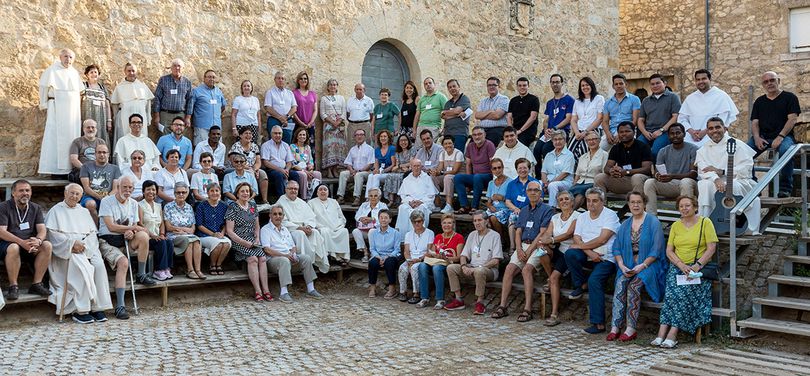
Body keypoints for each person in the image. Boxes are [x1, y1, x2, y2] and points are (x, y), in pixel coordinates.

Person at [653, 195, 718, 348]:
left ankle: (672, 334)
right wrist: (680, 265)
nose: (684, 208)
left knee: (681, 296)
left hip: (696, 271)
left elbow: (711, 248)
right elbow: (669, 251)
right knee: (670, 296)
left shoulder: (705, 222)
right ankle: (661, 333)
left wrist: (698, 265)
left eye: (687, 205)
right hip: (678, 267)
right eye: (681, 206)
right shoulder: (676, 225)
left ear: (695, 207)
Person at [46, 183, 113, 323]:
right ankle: (81, 310)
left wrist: (85, 247)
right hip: (67, 250)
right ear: (65, 193)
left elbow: (93, 234)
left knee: (99, 266)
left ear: (81, 196)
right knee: (81, 267)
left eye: (77, 194)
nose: (74, 196)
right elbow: (52, 235)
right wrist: (71, 244)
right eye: (71, 193)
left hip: (87, 248)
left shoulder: (84, 211)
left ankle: (98, 306)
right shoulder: (55, 211)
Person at [490, 180, 554, 322]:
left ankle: (527, 309)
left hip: (538, 246)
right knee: (509, 269)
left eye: (536, 190)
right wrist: (518, 249)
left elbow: (542, 233)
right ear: (526, 193)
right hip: (523, 245)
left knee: (526, 270)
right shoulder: (524, 210)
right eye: (530, 190)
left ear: (540, 192)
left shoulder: (547, 209)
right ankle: (503, 306)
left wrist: (530, 250)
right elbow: (518, 232)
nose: (532, 192)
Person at [607, 191, 667, 341]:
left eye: (638, 202)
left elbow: (657, 249)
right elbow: (616, 248)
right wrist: (621, 265)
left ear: (644, 203)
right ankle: (615, 326)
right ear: (628, 204)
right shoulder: (625, 224)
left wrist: (642, 266)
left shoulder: (653, 222)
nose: (635, 205)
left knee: (634, 286)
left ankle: (630, 328)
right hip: (628, 264)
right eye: (632, 202)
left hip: (649, 265)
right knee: (621, 284)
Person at [97, 175, 155, 319]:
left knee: (143, 236)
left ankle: (141, 274)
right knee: (123, 263)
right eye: (125, 187)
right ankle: (120, 306)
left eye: (130, 188)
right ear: (118, 187)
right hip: (108, 241)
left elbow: (134, 226)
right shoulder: (107, 201)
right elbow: (110, 226)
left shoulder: (134, 204)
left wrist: (132, 231)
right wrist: (130, 228)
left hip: (125, 241)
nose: (128, 190)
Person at [564, 187, 620, 334]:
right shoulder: (583, 216)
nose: (591, 204)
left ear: (603, 201)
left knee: (594, 281)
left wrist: (582, 247)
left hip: (605, 257)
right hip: (589, 254)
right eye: (588, 201)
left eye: (595, 201)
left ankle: (598, 324)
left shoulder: (610, 215)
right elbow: (576, 237)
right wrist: (588, 251)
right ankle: (580, 284)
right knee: (570, 254)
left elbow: (603, 239)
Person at [695, 117, 761, 234]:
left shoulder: (738, 145)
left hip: (739, 180)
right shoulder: (702, 150)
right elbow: (703, 170)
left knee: (732, 185)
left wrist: (723, 171)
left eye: (717, 127)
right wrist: (716, 179)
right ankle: (706, 222)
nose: (714, 130)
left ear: (725, 128)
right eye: (710, 128)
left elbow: (746, 168)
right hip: (714, 181)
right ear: (707, 131)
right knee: (704, 184)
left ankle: (735, 224)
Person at [748, 71, 801, 198]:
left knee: (786, 151)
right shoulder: (759, 101)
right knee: (744, 152)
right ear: (763, 85)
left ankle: (785, 189)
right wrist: (756, 138)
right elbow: (755, 122)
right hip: (763, 137)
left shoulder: (790, 97)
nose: (769, 83)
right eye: (766, 82)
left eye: (772, 80)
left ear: (779, 81)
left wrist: (781, 136)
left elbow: (792, 119)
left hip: (784, 136)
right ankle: (753, 186)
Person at [0, 180, 53, 300]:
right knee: (14, 247)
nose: (25, 193)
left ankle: (37, 284)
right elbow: (1, 232)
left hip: (28, 244)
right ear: (13, 193)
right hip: (7, 244)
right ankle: (13, 286)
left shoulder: (35, 208)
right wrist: (21, 242)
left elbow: (42, 229)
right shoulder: (3, 207)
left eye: (27, 190)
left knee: (47, 245)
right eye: (21, 190)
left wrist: (38, 240)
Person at [261, 205, 323, 303]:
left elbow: (293, 246)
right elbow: (267, 250)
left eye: (280, 214)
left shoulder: (285, 229)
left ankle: (311, 289)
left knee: (306, 258)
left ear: (283, 216)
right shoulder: (265, 229)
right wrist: (285, 255)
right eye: (275, 214)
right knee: (284, 261)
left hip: (288, 258)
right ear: (270, 215)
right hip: (274, 261)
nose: (278, 216)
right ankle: (284, 293)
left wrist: (293, 254)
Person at [445, 211, 503, 315]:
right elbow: (463, 255)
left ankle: (480, 302)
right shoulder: (472, 235)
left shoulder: (495, 235)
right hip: (471, 267)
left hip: (489, 270)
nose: (477, 223)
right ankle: (458, 299)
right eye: (475, 221)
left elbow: (495, 260)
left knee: (479, 271)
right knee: (451, 267)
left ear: (486, 221)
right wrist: (463, 266)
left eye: (479, 220)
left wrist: (478, 267)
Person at [537, 191, 580, 326]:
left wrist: (551, 239)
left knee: (556, 278)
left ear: (572, 202)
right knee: (541, 251)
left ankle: (554, 314)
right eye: (561, 199)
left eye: (567, 199)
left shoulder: (578, 216)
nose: (564, 201)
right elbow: (548, 233)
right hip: (558, 248)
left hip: (570, 252)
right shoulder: (555, 218)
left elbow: (569, 234)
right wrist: (544, 240)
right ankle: (550, 278)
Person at [38, 48, 82, 175]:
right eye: (66, 56)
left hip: (72, 111)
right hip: (56, 108)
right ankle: (54, 170)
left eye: (70, 57)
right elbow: (43, 87)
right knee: (54, 136)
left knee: (71, 137)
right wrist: (44, 104)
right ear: (60, 57)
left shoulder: (74, 73)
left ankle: (70, 168)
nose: (68, 59)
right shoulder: (52, 70)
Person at [225, 182, 272, 301]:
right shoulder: (232, 207)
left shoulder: (252, 206)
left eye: (247, 191)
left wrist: (257, 237)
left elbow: (257, 226)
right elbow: (230, 231)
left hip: (252, 239)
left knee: (262, 258)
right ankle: (258, 291)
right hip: (238, 240)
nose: (245, 193)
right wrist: (244, 243)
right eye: (242, 191)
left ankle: (266, 290)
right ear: (237, 193)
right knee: (253, 259)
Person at [275, 181, 329, 273]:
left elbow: (310, 217)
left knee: (315, 232)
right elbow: (282, 221)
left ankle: (315, 262)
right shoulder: (281, 202)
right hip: (290, 230)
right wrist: (300, 228)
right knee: (300, 234)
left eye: (295, 189)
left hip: (304, 228)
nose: (293, 191)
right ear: (286, 189)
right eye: (291, 188)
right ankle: (302, 264)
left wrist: (308, 226)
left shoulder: (301, 202)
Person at [644, 124, 698, 214]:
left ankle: (687, 216)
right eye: (672, 133)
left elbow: (693, 174)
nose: (675, 136)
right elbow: (656, 172)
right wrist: (659, 176)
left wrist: (672, 176)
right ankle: (651, 218)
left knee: (686, 182)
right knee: (649, 182)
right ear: (668, 136)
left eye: (678, 133)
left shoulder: (693, 149)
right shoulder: (663, 151)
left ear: (684, 134)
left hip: (688, 183)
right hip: (669, 184)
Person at [679, 69, 740, 147]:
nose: (701, 81)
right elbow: (682, 119)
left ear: (710, 79)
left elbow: (722, 120)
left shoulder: (721, 96)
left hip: (714, 134)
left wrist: (705, 132)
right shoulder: (690, 98)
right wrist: (692, 132)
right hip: (692, 137)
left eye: (704, 79)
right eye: (698, 79)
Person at [416, 214, 463, 309]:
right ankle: (424, 298)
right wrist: (430, 254)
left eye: (449, 223)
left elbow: (458, 257)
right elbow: (431, 252)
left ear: (453, 224)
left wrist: (446, 258)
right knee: (422, 266)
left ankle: (440, 299)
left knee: (437, 268)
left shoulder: (458, 237)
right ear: (441, 224)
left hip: (448, 264)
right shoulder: (438, 237)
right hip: (436, 261)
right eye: (444, 223)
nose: (446, 225)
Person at [594, 121, 652, 195]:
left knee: (636, 178)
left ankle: (636, 205)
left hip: (640, 180)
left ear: (634, 132)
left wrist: (627, 171)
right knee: (599, 177)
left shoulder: (643, 147)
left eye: (627, 131)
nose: (624, 134)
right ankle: (601, 205)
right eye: (621, 132)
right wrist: (612, 171)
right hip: (623, 179)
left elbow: (647, 169)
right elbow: (607, 168)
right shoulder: (616, 148)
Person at [637, 74, 681, 159]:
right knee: (636, 149)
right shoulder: (646, 100)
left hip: (665, 132)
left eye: (658, 83)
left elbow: (675, 116)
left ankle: (657, 171)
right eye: (652, 84)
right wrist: (645, 132)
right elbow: (640, 120)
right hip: (648, 132)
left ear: (664, 83)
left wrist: (661, 130)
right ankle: (644, 171)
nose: (655, 86)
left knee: (655, 152)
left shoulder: (673, 97)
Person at [453, 126, 496, 214]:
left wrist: (494, 182)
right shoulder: (470, 146)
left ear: (484, 135)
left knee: (477, 177)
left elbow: (493, 164)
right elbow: (468, 164)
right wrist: (469, 183)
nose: (477, 137)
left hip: (488, 176)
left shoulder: (489, 145)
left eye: (479, 134)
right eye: (474, 135)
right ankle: (464, 205)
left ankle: (475, 207)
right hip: (476, 177)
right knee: (458, 177)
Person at [534, 74, 575, 161]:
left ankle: (550, 172)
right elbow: (546, 120)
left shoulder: (569, 100)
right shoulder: (550, 102)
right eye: (553, 82)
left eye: (557, 82)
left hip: (561, 131)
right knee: (536, 150)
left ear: (562, 84)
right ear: (550, 84)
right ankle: (539, 174)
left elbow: (568, 119)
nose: (555, 84)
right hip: (549, 132)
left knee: (546, 150)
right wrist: (546, 130)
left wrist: (554, 128)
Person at [139, 180, 174, 281]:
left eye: (153, 189)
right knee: (161, 242)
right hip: (146, 237)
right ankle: (158, 270)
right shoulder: (139, 205)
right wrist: (152, 235)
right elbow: (140, 223)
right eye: (148, 189)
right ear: (143, 191)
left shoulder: (158, 205)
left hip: (157, 236)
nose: (151, 192)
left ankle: (167, 268)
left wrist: (162, 233)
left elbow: (162, 222)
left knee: (168, 241)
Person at [110, 62, 154, 143]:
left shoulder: (142, 86)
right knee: (125, 137)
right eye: (129, 71)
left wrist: (148, 117)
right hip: (124, 116)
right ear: (125, 72)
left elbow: (148, 103)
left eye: (133, 71)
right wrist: (115, 119)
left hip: (141, 115)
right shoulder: (119, 87)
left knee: (141, 137)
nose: (131, 73)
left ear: (136, 72)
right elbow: (115, 105)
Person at [308, 184, 351, 265]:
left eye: (325, 189)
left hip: (336, 227)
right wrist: (319, 226)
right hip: (321, 227)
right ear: (317, 192)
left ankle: (342, 256)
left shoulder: (334, 202)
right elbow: (310, 218)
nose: (323, 191)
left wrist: (339, 226)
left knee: (344, 231)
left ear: (328, 192)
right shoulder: (311, 203)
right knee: (325, 231)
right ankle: (332, 256)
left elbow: (341, 217)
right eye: (320, 189)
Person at [194, 183, 231, 275]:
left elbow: (226, 223)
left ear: (220, 192)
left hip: (219, 234)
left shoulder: (224, 206)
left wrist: (222, 233)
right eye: (212, 191)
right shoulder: (201, 206)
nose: (215, 193)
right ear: (208, 193)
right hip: (204, 235)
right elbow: (199, 225)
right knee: (217, 244)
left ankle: (219, 264)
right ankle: (212, 265)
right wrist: (213, 234)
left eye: (217, 191)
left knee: (227, 243)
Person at [397, 210, 433, 303]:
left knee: (414, 268)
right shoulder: (408, 234)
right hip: (411, 259)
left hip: (423, 259)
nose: (417, 223)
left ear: (423, 221)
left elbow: (429, 251)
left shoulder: (430, 233)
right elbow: (406, 251)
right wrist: (409, 260)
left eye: (419, 221)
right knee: (402, 268)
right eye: (414, 221)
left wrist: (419, 259)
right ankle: (403, 292)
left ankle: (416, 294)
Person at [79, 143, 121, 224]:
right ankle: (96, 230)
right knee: (91, 204)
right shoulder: (86, 166)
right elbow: (87, 188)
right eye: (99, 152)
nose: (102, 155)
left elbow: (115, 189)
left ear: (108, 154)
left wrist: (106, 198)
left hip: (109, 197)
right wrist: (100, 197)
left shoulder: (115, 168)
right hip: (90, 197)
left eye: (104, 152)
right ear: (95, 154)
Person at [504, 158, 539, 252]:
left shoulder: (535, 183)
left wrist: (528, 209)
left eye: (525, 168)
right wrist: (515, 209)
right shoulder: (511, 184)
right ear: (516, 169)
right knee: (512, 219)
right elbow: (507, 201)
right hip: (516, 210)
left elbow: (540, 199)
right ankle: (512, 247)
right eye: (520, 168)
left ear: (529, 169)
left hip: (531, 210)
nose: (522, 170)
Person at [395, 159, 438, 235]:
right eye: (414, 166)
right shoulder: (407, 179)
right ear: (411, 167)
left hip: (424, 203)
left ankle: (419, 234)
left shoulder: (427, 178)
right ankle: (403, 235)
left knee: (421, 209)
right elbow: (403, 195)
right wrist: (410, 201)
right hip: (410, 203)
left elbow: (431, 195)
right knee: (402, 208)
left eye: (418, 166)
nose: (416, 168)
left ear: (421, 167)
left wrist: (421, 201)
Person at [152, 59, 193, 137]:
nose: (177, 68)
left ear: (182, 68)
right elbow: (157, 98)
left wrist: (188, 117)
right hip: (165, 115)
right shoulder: (163, 80)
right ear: (171, 68)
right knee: (164, 137)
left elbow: (190, 100)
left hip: (181, 115)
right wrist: (157, 116)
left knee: (179, 137)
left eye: (179, 66)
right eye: (174, 66)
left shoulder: (187, 82)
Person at [227, 128, 269, 204]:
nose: (248, 135)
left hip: (252, 168)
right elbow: (234, 161)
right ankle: (249, 199)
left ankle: (265, 200)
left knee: (263, 175)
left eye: (250, 133)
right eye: (246, 133)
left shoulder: (254, 146)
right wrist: (250, 169)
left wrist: (255, 169)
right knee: (249, 173)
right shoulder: (236, 146)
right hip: (238, 168)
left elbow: (258, 161)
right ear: (240, 135)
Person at [367, 209, 402, 298]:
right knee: (372, 263)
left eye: (386, 218)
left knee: (389, 263)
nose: (383, 220)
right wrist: (378, 257)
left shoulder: (395, 233)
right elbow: (372, 249)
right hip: (378, 255)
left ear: (390, 220)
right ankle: (372, 287)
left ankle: (392, 289)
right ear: (378, 219)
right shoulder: (374, 233)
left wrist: (387, 257)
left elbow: (397, 250)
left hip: (391, 256)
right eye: (381, 218)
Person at [601, 74, 641, 151]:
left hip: (628, 131)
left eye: (621, 83)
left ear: (625, 84)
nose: (619, 86)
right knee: (599, 151)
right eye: (616, 84)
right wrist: (608, 134)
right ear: (613, 86)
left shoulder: (634, 99)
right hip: (611, 132)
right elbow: (605, 122)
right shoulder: (608, 102)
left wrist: (620, 134)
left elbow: (635, 120)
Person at [568, 77, 605, 159]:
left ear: (591, 85)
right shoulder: (577, 101)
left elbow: (600, 118)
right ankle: (572, 171)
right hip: (578, 131)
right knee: (569, 152)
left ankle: (583, 170)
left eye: (587, 85)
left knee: (583, 151)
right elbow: (573, 120)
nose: (585, 87)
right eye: (582, 86)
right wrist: (577, 132)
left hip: (593, 130)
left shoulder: (599, 98)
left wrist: (586, 132)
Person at [570, 131, 608, 209]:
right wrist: (574, 184)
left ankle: (569, 214)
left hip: (594, 183)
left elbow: (605, 174)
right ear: (586, 142)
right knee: (568, 194)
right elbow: (577, 175)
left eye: (594, 139)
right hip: (580, 183)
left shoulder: (604, 155)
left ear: (599, 140)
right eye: (588, 140)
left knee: (580, 195)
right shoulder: (583, 157)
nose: (591, 141)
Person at [261, 125, 300, 199]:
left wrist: (287, 170)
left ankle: (295, 197)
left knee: (295, 175)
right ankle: (282, 198)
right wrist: (280, 170)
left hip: (284, 169)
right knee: (278, 175)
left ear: (282, 134)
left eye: (279, 133)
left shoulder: (285, 145)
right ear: (271, 134)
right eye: (275, 133)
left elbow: (289, 161)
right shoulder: (266, 145)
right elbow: (265, 162)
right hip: (271, 170)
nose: (278, 135)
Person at [337, 129, 375, 205]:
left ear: (364, 136)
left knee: (358, 175)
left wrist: (359, 171)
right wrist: (351, 170)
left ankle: (357, 198)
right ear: (354, 137)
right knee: (343, 174)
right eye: (357, 135)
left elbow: (370, 164)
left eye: (361, 134)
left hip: (366, 172)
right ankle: (340, 196)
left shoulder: (370, 149)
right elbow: (348, 163)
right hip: (354, 171)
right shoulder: (352, 149)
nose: (359, 136)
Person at [320, 78, 349, 178]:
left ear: (337, 86)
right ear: (328, 87)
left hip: (339, 126)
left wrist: (338, 121)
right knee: (329, 147)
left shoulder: (341, 98)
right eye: (331, 85)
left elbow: (344, 111)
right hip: (329, 126)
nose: (333, 86)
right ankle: (329, 170)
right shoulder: (324, 99)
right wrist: (332, 122)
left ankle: (335, 169)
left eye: (335, 84)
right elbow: (322, 113)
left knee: (338, 147)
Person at [353, 188, 388, 263]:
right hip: (365, 229)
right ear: (368, 197)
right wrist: (362, 218)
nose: (373, 198)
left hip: (378, 230)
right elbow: (356, 216)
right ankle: (365, 252)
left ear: (379, 197)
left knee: (371, 231)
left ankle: (373, 253)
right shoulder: (364, 205)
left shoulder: (383, 206)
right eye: (371, 196)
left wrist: (373, 219)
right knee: (355, 231)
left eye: (375, 196)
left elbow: (386, 219)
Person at [541, 131, 575, 207]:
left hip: (565, 182)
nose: (557, 142)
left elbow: (565, 173)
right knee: (536, 184)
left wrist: (549, 184)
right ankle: (537, 208)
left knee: (553, 185)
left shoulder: (569, 155)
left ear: (565, 140)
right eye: (555, 139)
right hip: (548, 182)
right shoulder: (549, 155)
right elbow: (543, 172)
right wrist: (545, 183)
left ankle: (551, 209)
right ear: (552, 141)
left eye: (560, 139)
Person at [80, 64, 113, 144]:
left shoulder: (102, 88)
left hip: (101, 119)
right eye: (91, 72)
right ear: (87, 74)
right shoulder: (83, 86)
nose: (94, 74)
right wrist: (79, 118)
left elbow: (107, 104)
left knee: (101, 137)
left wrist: (109, 120)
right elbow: (79, 102)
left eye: (96, 72)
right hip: (87, 116)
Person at [264, 71, 298, 144]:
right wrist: (280, 118)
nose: (280, 80)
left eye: (283, 78)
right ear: (275, 80)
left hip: (288, 121)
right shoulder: (270, 92)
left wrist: (286, 117)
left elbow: (294, 108)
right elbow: (268, 108)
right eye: (278, 78)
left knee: (287, 142)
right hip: (274, 120)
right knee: (273, 142)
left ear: (285, 80)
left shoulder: (290, 93)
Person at [475, 77, 510, 146]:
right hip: (482, 129)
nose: (491, 87)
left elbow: (497, 115)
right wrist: (490, 111)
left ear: (499, 86)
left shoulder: (504, 99)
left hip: (497, 130)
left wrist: (483, 116)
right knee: (472, 146)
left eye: (494, 85)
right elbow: (477, 115)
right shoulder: (483, 101)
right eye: (489, 85)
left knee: (487, 146)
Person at [433, 135, 464, 214]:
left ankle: (449, 205)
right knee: (433, 177)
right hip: (447, 176)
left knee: (448, 177)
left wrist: (441, 172)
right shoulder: (442, 154)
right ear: (443, 146)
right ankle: (437, 203)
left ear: (453, 144)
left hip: (458, 178)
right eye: (445, 144)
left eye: (450, 143)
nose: (448, 145)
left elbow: (455, 171)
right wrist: (436, 172)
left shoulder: (458, 153)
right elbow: (440, 168)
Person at [382, 133, 416, 204]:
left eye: (405, 140)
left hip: (408, 171)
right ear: (399, 142)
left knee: (401, 177)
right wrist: (401, 166)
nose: (403, 142)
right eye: (401, 141)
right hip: (400, 170)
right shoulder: (397, 152)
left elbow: (411, 163)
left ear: (408, 141)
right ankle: (391, 200)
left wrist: (400, 166)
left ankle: (400, 200)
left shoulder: (412, 149)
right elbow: (396, 167)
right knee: (390, 176)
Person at [507, 77, 541, 147]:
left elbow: (533, 117)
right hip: (515, 129)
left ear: (528, 86)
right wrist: (511, 130)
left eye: (524, 85)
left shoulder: (534, 99)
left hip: (528, 131)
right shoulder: (513, 100)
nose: (522, 87)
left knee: (519, 145)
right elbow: (509, 116)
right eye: (520, 85)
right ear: (517, 87)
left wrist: (520, 131)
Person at [290, 126, 322, 199]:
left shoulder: (307, 147)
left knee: (317, 174)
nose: (302, 136)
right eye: (300, 135)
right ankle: (304, 198)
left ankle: (316, 196)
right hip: (297, 169)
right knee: (304, 175)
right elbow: (293, 163)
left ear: (306, 136)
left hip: (307, 169)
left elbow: (310, 161)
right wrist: (304, 171)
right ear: (297, 137)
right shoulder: (292, 147)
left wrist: (310, 169)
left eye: (304, 135)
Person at [364, 130, 397, 201]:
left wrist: (383, 171)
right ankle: (367, 198)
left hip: (389, 173)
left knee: (376, 177)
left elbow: (393, 164)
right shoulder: (377, 150)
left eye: (385, 136)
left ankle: (375, 198)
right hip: (380, 171)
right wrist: (376, 169)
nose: (383, 138)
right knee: (370, 176)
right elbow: (376, 162)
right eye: (381, 136)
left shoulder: (392, 148)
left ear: (388, 138)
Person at [484, 158, 513, 236]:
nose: (497, 170)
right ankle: (487, 239)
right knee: (481, 217)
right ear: (492, 170)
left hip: (505, 209)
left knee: (493, 218)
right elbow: (488, 201)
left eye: (499, 167)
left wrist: (502, 198)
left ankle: (500, 239)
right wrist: (490, 206)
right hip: (494, 209)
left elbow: (513, 201)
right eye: (494, 168)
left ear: (503, 168)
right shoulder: (491, 183)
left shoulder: (510, 182)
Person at [440, 79, 471, 151]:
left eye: (454, 86)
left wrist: (449, 113)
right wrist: (457, 114)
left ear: (459, 87)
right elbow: (443, 115)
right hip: (447, 133)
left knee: (458, 156)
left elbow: (457, 111)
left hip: (460, 133)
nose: (452, 88)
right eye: (450, 87)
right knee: (448, 156)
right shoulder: (448, 103)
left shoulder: (464, 99)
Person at [230, 80, 262, 144]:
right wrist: (234, 128)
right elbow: (233, 114)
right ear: (242, 88)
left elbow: (258, 115)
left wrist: (259, 128)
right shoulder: (238, 99)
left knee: (252, 146)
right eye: (244, 86)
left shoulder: (255, 100)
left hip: (253, 127)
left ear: (251, 88)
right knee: (241, 146)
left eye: (248, 86)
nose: (246, 87)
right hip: (241, 126)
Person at [292, 72, 318, 147]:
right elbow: (293, 110)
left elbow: (315, 110)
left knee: (310, 147)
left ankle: (311, 159)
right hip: (298, 124)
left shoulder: (313, 94)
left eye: (305, 78)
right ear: (298, 80)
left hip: (310, 125)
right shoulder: (294, 93)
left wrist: (311, 122)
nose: (303, 80)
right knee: (297, 147)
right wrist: (300, 123)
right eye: (301, 78)